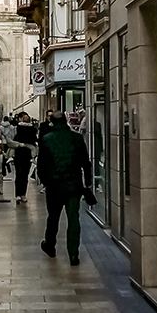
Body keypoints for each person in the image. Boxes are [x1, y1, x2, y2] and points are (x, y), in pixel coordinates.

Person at [37, 110, 92, 266]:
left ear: (52, 122)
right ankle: (73, 255)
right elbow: (86, 163)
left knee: (53, 217)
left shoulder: (46, 140)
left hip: (54, 186)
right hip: (74, 185)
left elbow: (41, 165)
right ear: (66, 121)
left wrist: (45, 181)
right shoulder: (77, 138)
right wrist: (87, 183)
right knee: (73, 219)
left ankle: (50, 246)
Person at [9, 111, 38, 204]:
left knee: (18, 174)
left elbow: (13, 140)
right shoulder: (32, 130)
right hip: (27, 154)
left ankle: (18, 194)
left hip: (18, 153)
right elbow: (35, 140)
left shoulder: (17, 129)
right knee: (25, 175)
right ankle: (23, 194)